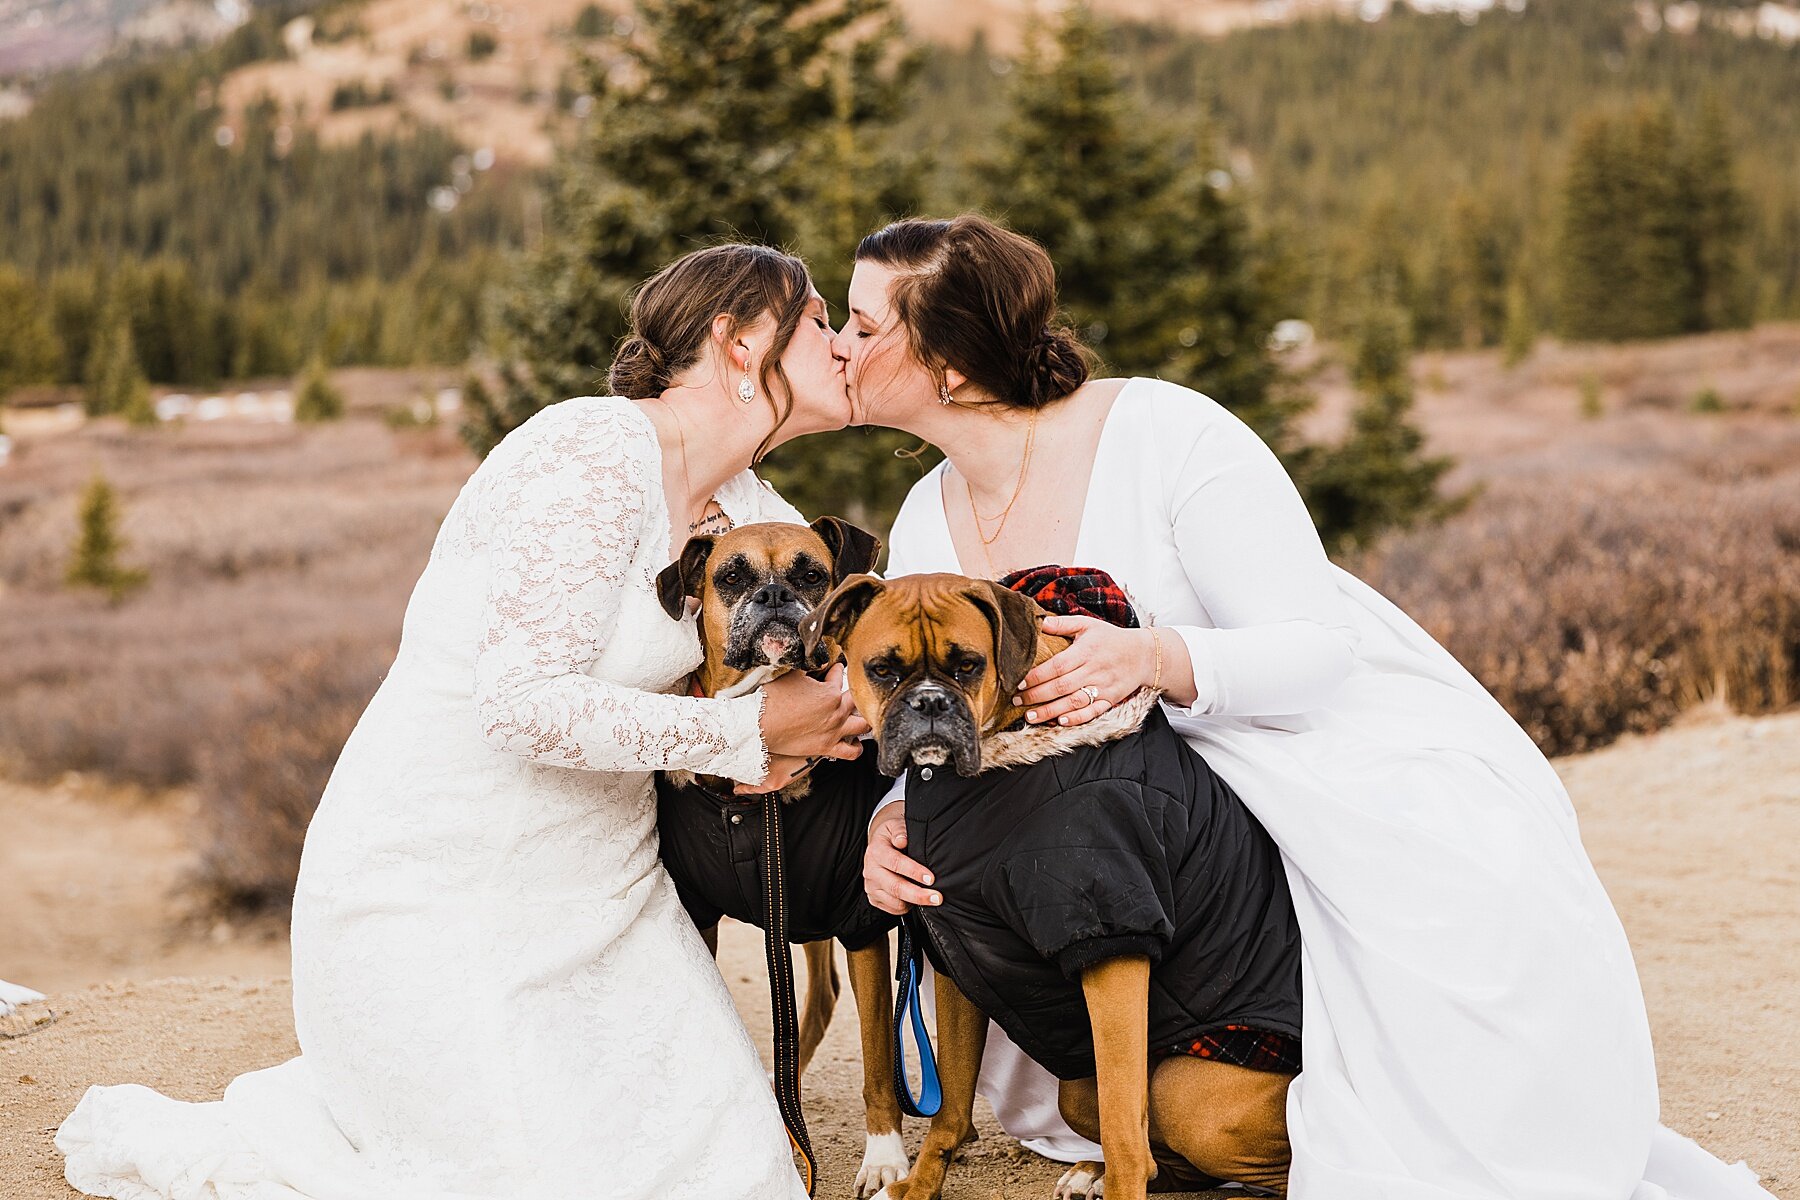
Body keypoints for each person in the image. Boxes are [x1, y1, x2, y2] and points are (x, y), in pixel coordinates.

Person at [843, 214, 1777, 1200]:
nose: (841, 348)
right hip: (1123, 838)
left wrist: (1155, 656)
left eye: (862, 326)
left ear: (945, 358)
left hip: (1298, 762)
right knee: (1090, 1090)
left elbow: (1319, 651)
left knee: (1395, 1072)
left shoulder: (1166, 431)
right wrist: (890, 816)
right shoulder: (925, 517)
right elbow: (921, 705)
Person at [57, 243, 869, 1200]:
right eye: (820, 321)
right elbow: (521, 705)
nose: (845, 343)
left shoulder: (748, 504)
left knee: (734, 1172)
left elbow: (842, 643)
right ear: (739, 343)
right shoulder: (589, 452)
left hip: (607, 901)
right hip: (433, 885)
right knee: (514, 1179)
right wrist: (746, 736)